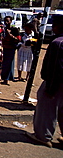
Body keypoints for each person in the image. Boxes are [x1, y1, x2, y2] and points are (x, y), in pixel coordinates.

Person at [26, 14, 63, 148]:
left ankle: (43, 136)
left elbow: (56, 68)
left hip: (56, 84)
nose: (52, 27)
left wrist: (50, 89)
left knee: (46, 109)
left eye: (55, 25)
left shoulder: (57, 43)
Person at [0, 16, 21, 85]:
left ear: (11, 21)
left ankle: (7, 79)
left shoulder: (14, 29)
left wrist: (10, 35)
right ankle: (4, 78)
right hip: (5, 48)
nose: (6, 22)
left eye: (8, 21)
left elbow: (18, 39)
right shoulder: (4, 29)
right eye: (5, 21)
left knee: (9, 64)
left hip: (11, 48)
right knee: (4, 64)